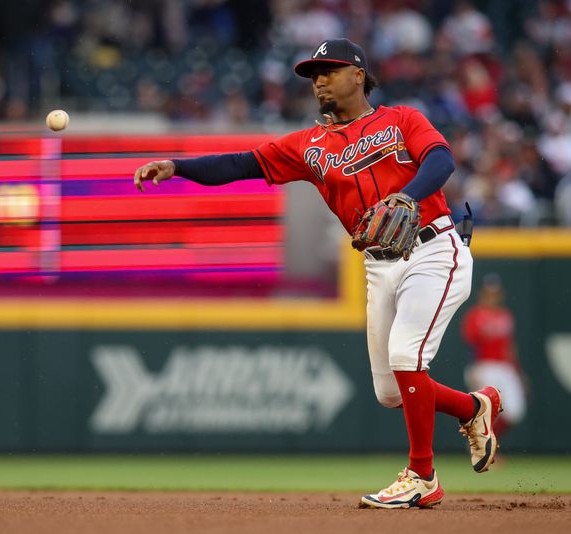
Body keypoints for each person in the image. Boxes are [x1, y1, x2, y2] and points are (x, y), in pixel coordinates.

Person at [134, 38, 502, 510]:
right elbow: (240, 164)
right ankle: (474, 408)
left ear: (358, 74)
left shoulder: (402, 119)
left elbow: (441, 160)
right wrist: (177, 166)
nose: (319, 80)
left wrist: (407, 195)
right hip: (379, 264)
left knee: (406, 355)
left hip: (433, 250)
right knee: (392, 390)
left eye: (328, 70)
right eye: (313, 74)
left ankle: (422, 476)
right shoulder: (308, 146)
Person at [462, 273, 527, 438]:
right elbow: (470, 346)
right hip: (485, 366)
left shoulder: (505, 315)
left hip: (506, 367)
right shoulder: (475, 315)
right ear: (481, 294)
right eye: (488, 292)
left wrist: (519, 373)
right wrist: (473, 370)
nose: (492, 296)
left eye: (495, 293)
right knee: (490, 410)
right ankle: (485, 447)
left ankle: (483, 441)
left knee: (515, 411)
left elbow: (510, 348)